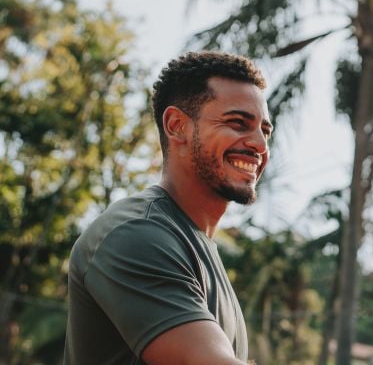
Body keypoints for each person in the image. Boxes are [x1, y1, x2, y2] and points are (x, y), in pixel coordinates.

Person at [64, 51, 272, 365]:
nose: (260, 145)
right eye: (238, 123)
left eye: (265, 131)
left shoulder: (198, 247)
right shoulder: (136, 234)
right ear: (177, 126)